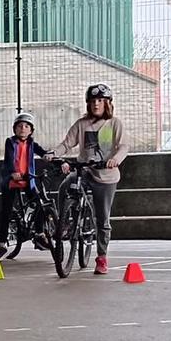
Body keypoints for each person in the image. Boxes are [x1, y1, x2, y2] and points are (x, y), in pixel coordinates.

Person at [55, 83, 129, 275]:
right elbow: (67, 143)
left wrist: (115, 160)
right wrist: (53, 153)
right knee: (65, 186)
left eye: (100, 101)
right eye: (92, 101)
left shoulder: (114, 124)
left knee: (102, 219)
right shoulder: (82, 124)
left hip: (106, 176)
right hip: (85, 171)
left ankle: (101, 257)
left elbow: (123, 147)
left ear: (107, 103)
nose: (96, 104)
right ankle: (67, 221)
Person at [0, 111, 50, 261]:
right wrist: (12, 172)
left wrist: (49, 156)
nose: (22, 129)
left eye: (26, 126)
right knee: (6, 211)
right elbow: (10, 159)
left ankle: (39, 234)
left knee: (39, 204)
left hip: (27, 180)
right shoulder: (10, 142)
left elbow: (42, 152)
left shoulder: (31, 143)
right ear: (14, 129)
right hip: (11, 181)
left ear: (31, 130)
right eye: (19, 126)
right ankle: (1, 243)